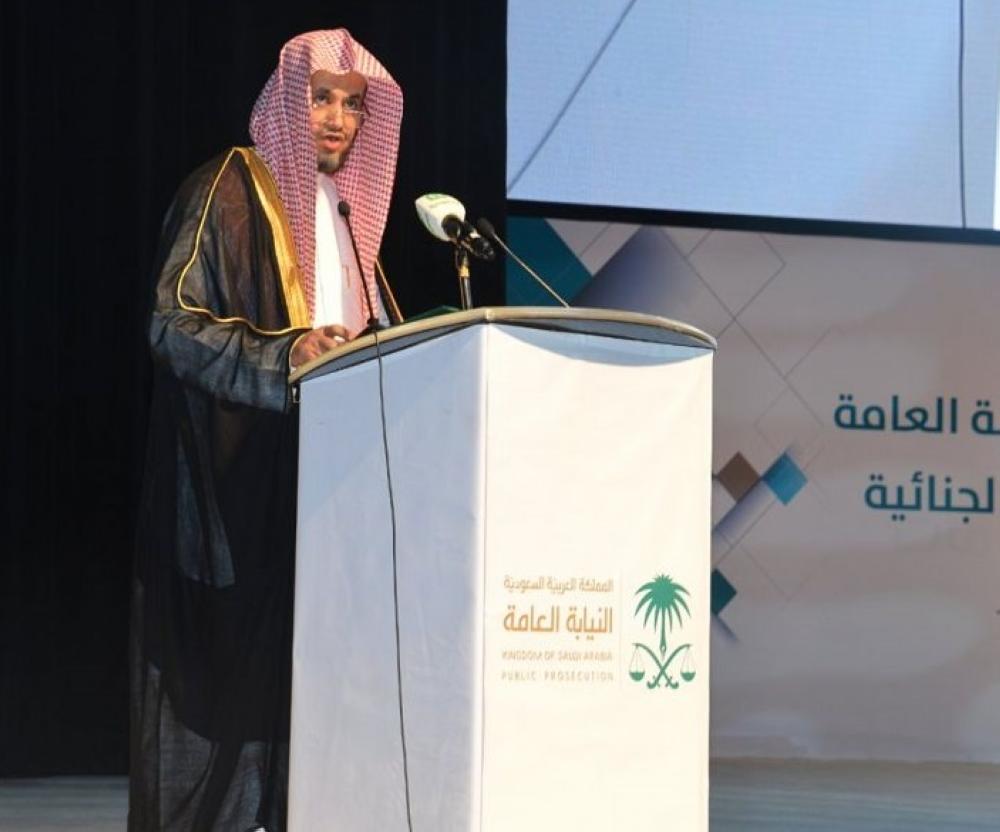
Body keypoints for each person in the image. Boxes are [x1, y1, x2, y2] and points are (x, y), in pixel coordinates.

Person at [129, 30, 403, 831]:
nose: (338, 119)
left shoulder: (349, 219)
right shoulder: (228, 189)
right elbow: (171, 323)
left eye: (353, 105)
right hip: (237, 495)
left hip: (328, 507)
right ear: (287, 101)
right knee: (224, 720)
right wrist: (285, 356)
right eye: (321, 98)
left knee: (310, 711)